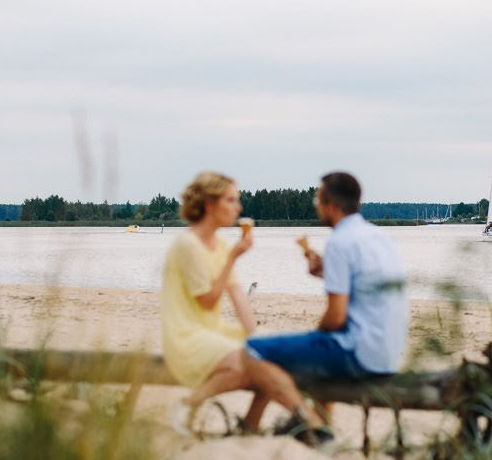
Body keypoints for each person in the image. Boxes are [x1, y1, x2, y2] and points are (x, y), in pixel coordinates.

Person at [244, 171, 409, 439]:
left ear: (331, 205)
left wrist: (314, 339)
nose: (316, 207)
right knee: (311, 351)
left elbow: (335, 316)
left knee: (254, 350)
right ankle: (302, 425)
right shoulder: (379, 237)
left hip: (360, 353)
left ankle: (310, 426)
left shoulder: (340, 242)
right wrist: (328, 270)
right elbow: (366, 284)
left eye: (317, 201)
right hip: (388, 352)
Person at [161, 171, 267, 435]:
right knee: (241, 365)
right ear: (209, 205)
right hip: (186, 334)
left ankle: (250, 426)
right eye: (231, 200)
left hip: (212, 329)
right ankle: (189, 404)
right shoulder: (188, 245)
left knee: (267, 356)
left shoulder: (219, 244)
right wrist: (232, 258)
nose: (238, 207)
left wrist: (255, 337)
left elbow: (238, 294)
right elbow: (207, 301)